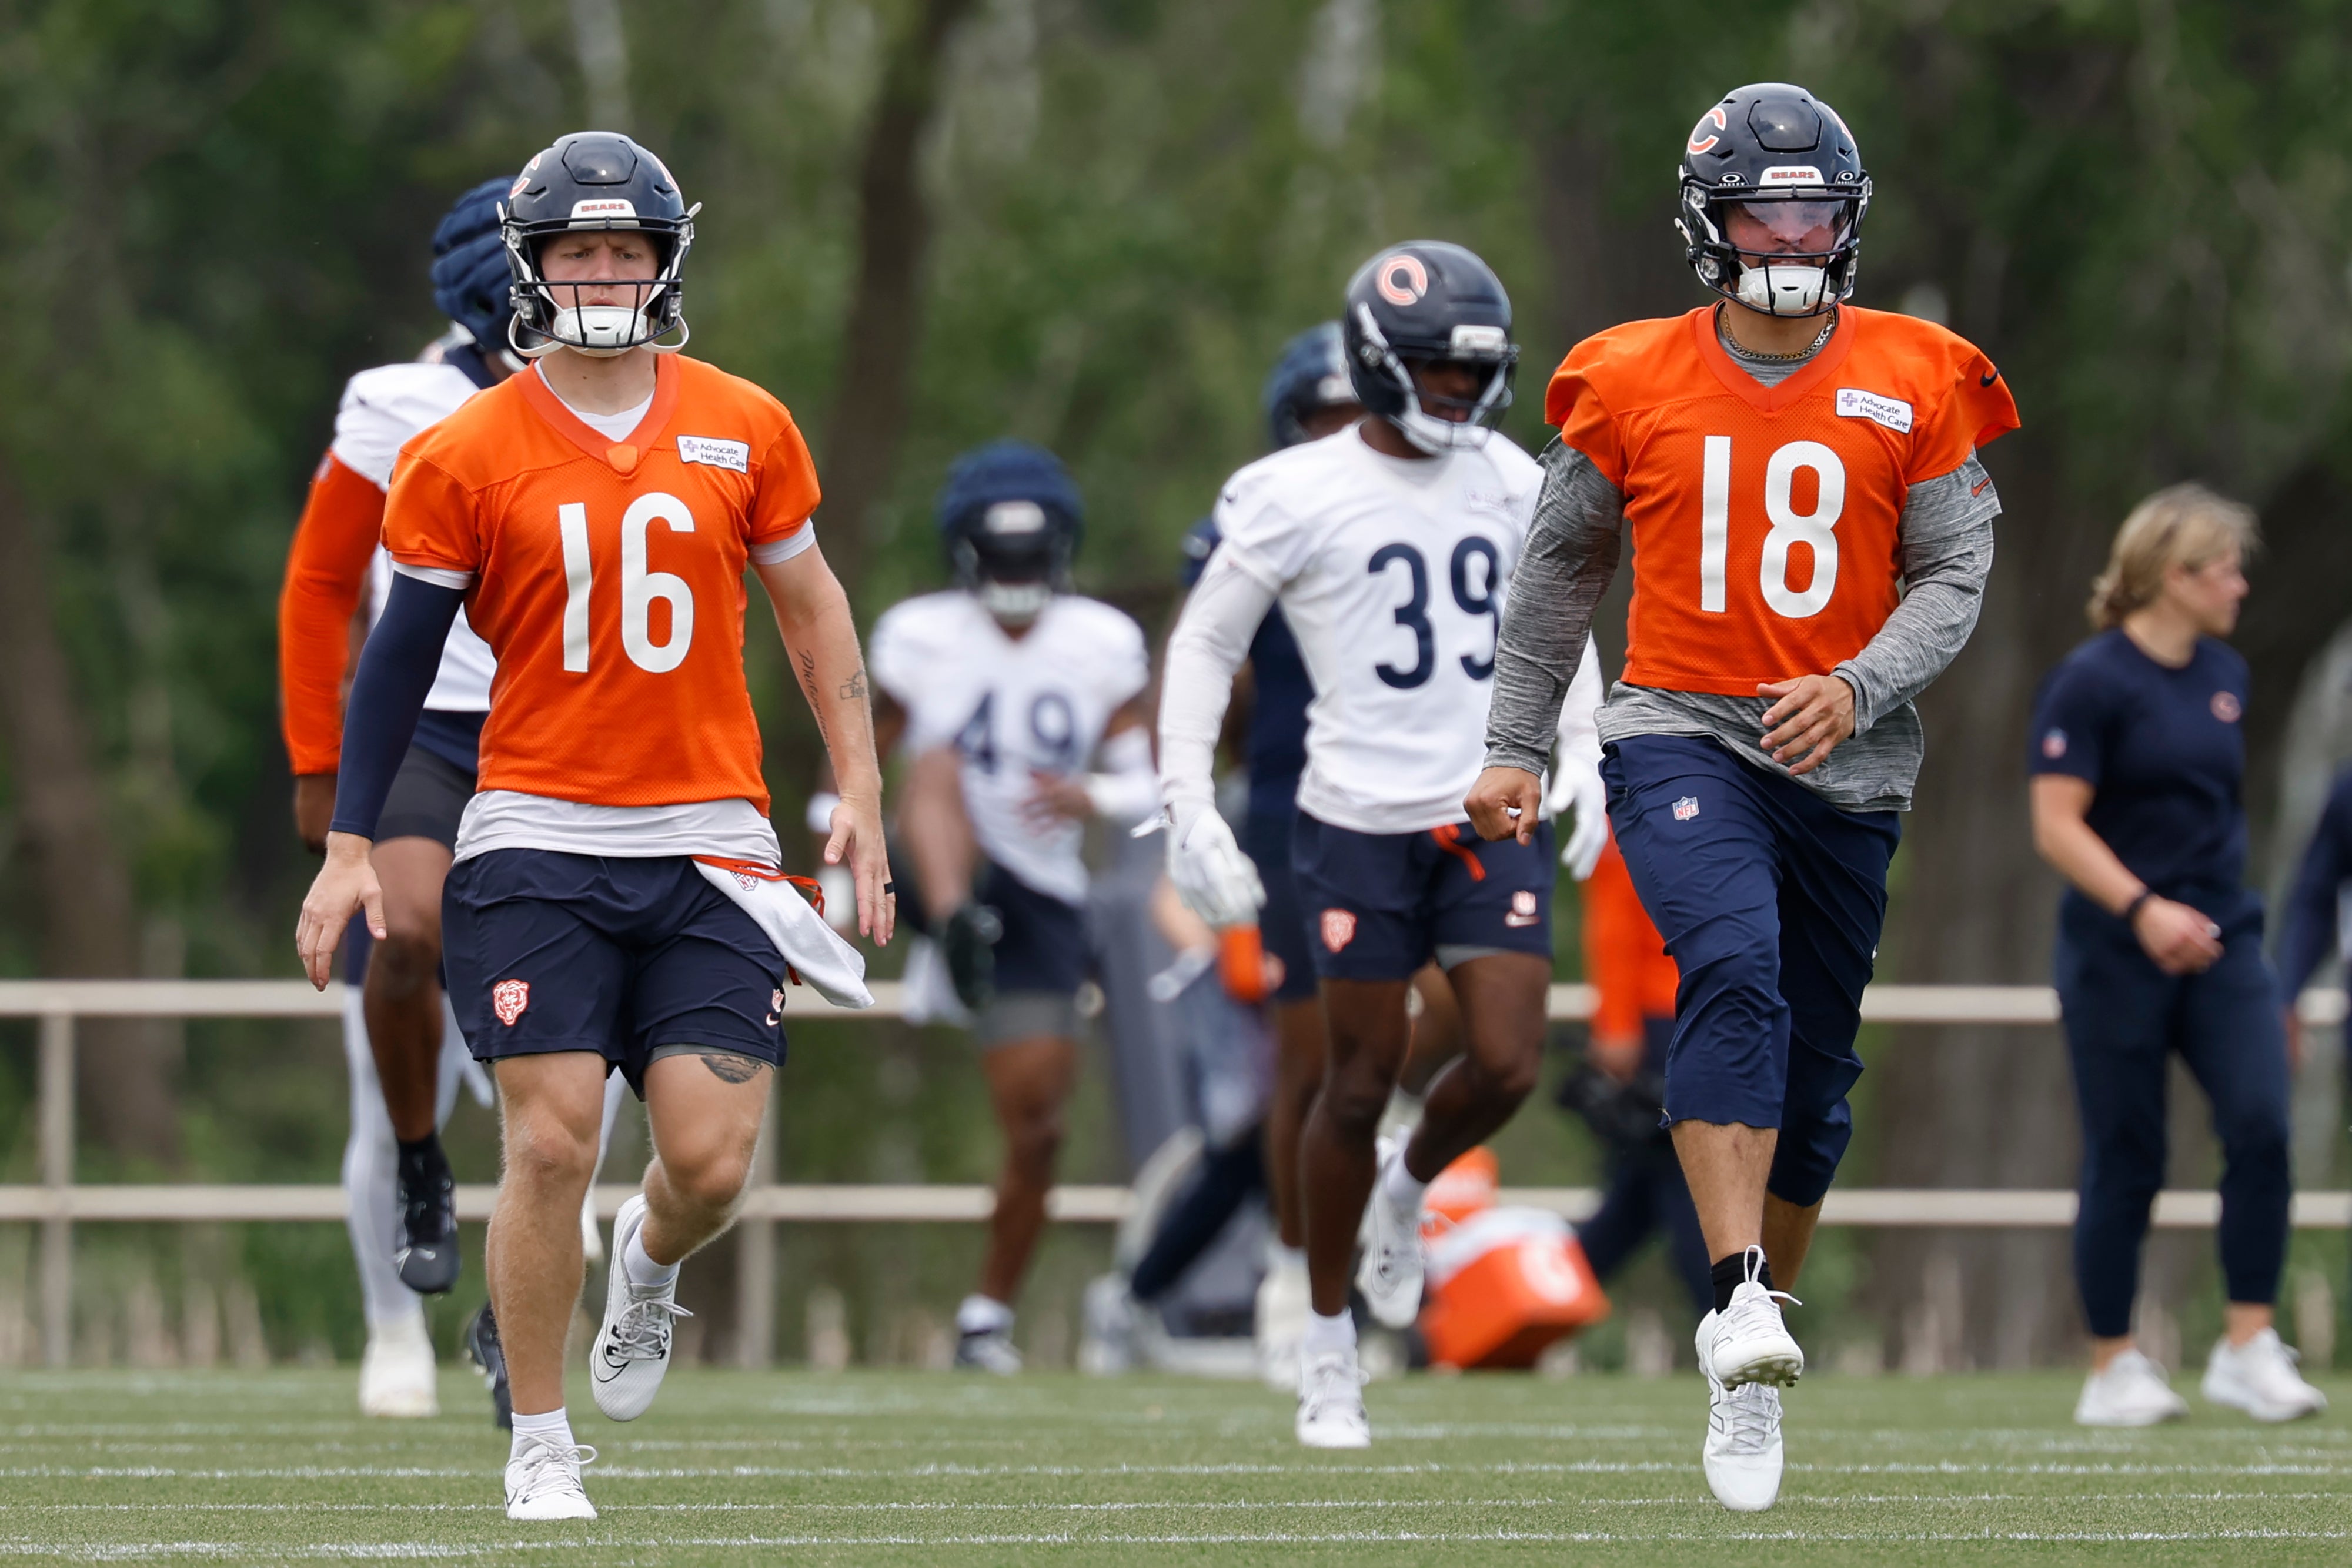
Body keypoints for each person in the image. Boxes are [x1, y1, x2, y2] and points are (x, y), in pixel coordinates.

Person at [293, 131, 891, 1522]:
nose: (605, 272)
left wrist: (856, 783)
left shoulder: (745, 420)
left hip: (709, 842)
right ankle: (542, 1445)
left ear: (666, 260)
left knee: (707, 1163)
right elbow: (393, 662)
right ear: (533, 266)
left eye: (628, 249)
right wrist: (345, 841)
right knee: (551, 1144)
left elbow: (811, 609)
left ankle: (650, 1266)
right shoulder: (462, 448)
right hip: (537, 833)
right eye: (579, 250)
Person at [1464, 82, 2017, 1512]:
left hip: (1849, 761)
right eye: (1765, 210)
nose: (1792, 234)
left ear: (1848, 225)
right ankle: (1738, 1297)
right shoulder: (1626, 373)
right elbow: (1555, 575)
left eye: (1815, 212)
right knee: (1731, 972)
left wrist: (1861, 680)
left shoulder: (1919, 370)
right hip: (1678, 731)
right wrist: (1516, 744)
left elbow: (1954, 573)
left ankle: (1746, 1326)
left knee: (1816, 1091)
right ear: (1709, 226)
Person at [1162, 240, 1586, 1449]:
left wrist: (1585, 750)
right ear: (1376, 363)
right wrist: (1187, 802)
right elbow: (1201, 647)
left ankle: (1407, 1190)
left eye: (1474, 375)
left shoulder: (1508, 477)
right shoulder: (1294, 489)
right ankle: (1328, 1341)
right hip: (1348, 816)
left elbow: (1558, 618)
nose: (1461, 397)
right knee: (1350, 1077)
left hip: (1482, 805)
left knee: (1505, 1060)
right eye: (1437, 374)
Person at [278, 178, 516, 1417]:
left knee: (577, 1084)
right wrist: (321, 766)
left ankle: (508, 1321)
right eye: (562, 257)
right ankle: (395, 1307)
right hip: (422, 730)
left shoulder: (649, 404)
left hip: (563, 742)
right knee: (402, 956)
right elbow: (321, 584)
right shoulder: (400, 403)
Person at [2029, 483, 2326, 1427]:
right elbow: (2055, 823)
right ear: (2174, 575)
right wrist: (2143, 907)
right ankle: (2113, 1364)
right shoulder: (2091, 680)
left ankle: (2247, 1345)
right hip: (2117, 948)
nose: (2241, 583)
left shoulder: (2226, 674)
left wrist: (2200, 916)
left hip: (2224, 940)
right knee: (2128, 1153)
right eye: (2225, 567)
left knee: (2261, 1123)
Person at [864, 442, 1157, 1372]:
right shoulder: (920, 634)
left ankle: (987, 1312)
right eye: (1003, 559)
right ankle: (954, 927)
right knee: (939, 760)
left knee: (1040, 1125)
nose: (1019, 579)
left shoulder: (1102, 641)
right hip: (935, 858)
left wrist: (1091, 799)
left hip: (1040, 888)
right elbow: (865, 761)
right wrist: (845, 856)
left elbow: (1146, 783)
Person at [1555, 826, 1710, 1318]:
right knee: (1690, 1178)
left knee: (1639, 1197)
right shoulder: (1636, 780)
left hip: (1693, 1003)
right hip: (1660, 1015)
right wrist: (1617, 1023)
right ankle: (1729, 1317)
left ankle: (1529, 1309)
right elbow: (1615, 914)